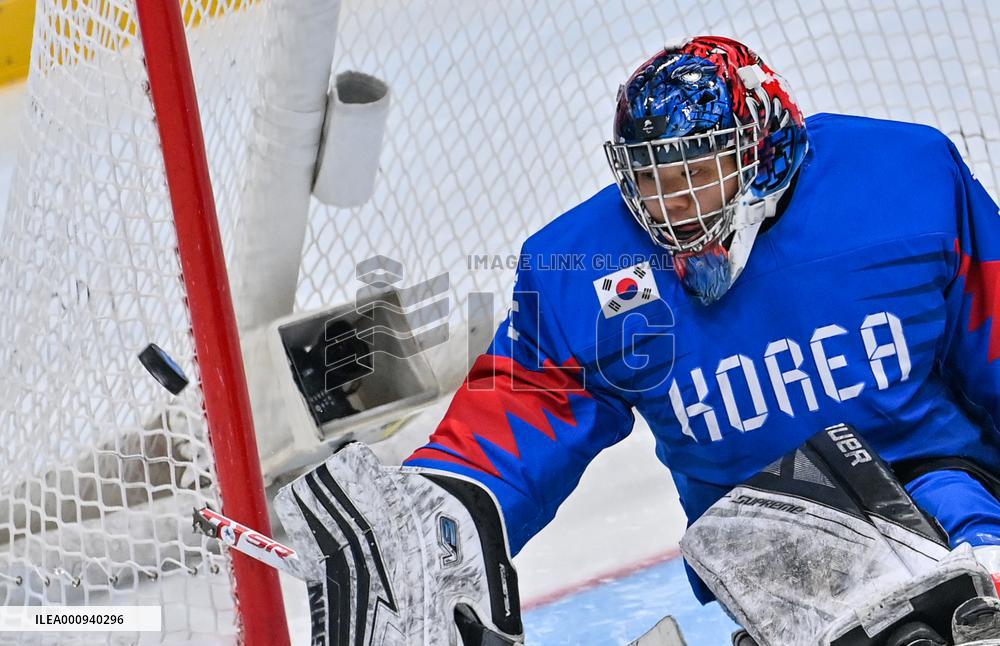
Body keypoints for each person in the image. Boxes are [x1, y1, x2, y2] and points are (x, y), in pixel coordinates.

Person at [275, 36, 1000, 645]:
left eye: (697, 173)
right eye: (652, 181)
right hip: (775, 548)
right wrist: (440, 517)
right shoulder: (583, 266)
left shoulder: (902, 181)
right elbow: (524, 405)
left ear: (765, 153)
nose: (672, 207)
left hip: (945, 493)